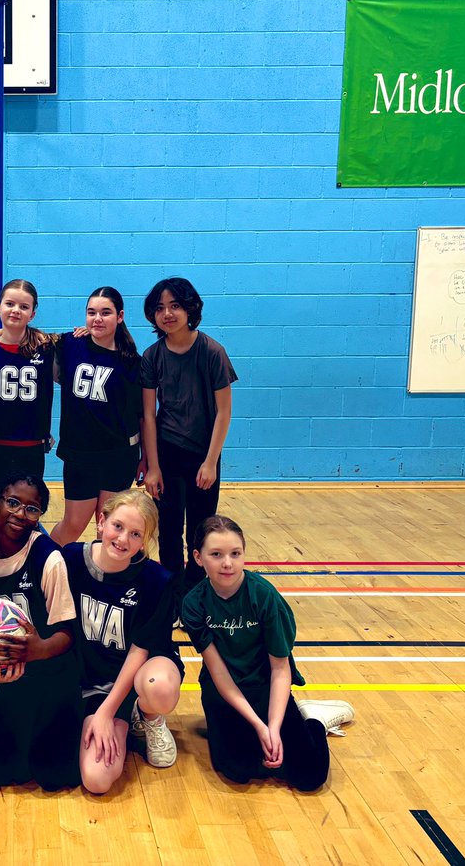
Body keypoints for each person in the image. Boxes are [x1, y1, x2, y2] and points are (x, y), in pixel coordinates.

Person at [182, 515, 354, 790]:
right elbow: (218, 672)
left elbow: (280, 668)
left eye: (235, 554)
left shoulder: (264, 596)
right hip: (225, 693)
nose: (227, 563)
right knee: (239, 770)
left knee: (309, 776)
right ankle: (254, 729)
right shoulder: (194, 605)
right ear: (198, 558)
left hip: (267, 687)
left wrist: (272, 727)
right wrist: (258, 726)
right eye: (216, 554)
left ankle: (315, 721)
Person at [0, 474, 81, 790]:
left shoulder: (49, 557)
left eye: (32, 509)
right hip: (13, 678)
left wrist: (39, 649)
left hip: (54, 673)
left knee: (56, 778)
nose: (20, 514)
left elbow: (68, 634)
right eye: (13, 503)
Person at [63, 489, 183, 794]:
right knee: (96, 779)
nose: (123, 539)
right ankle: (122, 721)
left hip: (135, 674)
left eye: (135, 534)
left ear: (144, 541)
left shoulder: (156, 580)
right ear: (101, 522)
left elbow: (139, 650)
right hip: (88, 679)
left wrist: (106, 711)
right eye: (118, 526)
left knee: (160, 686)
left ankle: (149, 716)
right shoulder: (71, 560)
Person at [139, 277, 238, 606]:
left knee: (201, 529)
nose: (167, 313)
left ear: (190, 308)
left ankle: (196, 599)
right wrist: (152, 467)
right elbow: (148, 415)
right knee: (169, 531)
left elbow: (224, 412)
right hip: (167, 453)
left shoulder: (212, 352)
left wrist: (210, 461)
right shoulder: (152, 356)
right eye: (160, 308)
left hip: (202, 456)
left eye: (175, 306)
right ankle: (172, 599)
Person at [49, 287, 144, 545]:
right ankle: (40, 571)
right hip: (80, 455)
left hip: (119, 456)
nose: (98, 319)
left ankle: (102, 580)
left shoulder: (132, 362)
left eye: (105, 313)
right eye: (92, 313)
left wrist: (146, 458)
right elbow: (24, 338)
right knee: (73, 525)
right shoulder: (70, 344)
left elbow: (142, 415)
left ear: (120, 316)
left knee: (109, 530)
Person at [0, 279, 56, 495]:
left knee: (26, 509)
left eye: (24, 306)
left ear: (33, 314)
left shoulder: (47, 349)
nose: (16, 310)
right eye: (10, 304)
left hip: (31, 446)